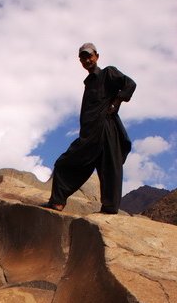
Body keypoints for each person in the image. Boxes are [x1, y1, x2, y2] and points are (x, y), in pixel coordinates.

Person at [45, 43, 136, 214]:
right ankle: (57, 202)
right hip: (89, 134)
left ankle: (109, 209)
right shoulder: (88, 83)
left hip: (106, 128)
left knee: (109, 167)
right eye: (83, 58)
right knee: (64, 163)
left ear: (97, 56)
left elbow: (130, 84)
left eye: (89, 56)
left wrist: (116, 102)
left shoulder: (108, 73)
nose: (87, 60)